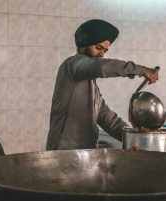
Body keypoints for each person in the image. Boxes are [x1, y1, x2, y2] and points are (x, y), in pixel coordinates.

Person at [46, 19, 159, 150]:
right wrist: (141, 70)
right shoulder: (72, 65)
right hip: (63, 154)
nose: (101, 54)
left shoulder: (91, 86)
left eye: (105, 50)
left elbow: (109, 120)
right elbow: (100, 66)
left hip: (85, 155)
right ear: (84, 44)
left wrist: (138, 140)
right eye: (98, 48)